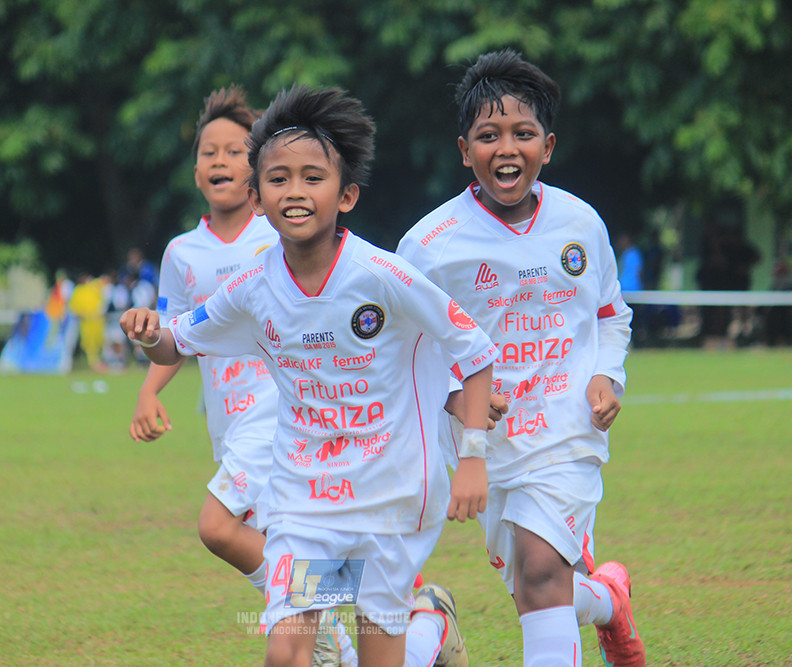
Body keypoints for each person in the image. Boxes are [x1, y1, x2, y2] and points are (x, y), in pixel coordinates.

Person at [122, 85, 498, 667]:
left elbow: (473, 350)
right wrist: (150, 333)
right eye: (278, 178)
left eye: (312, 177)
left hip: (392, 496)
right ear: (257, 196)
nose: (294, 191)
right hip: (305, 500)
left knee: (379, 654)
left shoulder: (383, 275)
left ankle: (430, 627)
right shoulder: (251, 288)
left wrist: (472, 458)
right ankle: (405, 622)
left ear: (345, 195)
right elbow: (178, 340)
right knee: (287, 653)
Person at [397, 49, 645, 666]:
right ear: (465, 150)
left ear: (548, 146)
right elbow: (404, 350)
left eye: (523, 133)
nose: (506, 149)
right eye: (489, 135)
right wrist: (457, 396)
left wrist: (604, 376)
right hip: (484, 449)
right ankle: (610, 600)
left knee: (540, 573)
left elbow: (610, 315)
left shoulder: (581, 224)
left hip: (566, 434)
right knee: (541, 589)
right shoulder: (428, 246)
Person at [129, 86, 356, 665]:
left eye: (234, 151)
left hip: (280, 411)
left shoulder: (279, 233)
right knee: (282, 538)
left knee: (218, 527)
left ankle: (323, 619)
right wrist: (149, 392)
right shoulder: (182, 254)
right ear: (196, 170)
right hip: (228, 423)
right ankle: (392, 617)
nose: (220, 160)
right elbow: (178, 334)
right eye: (209, 152)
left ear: (256, 171)